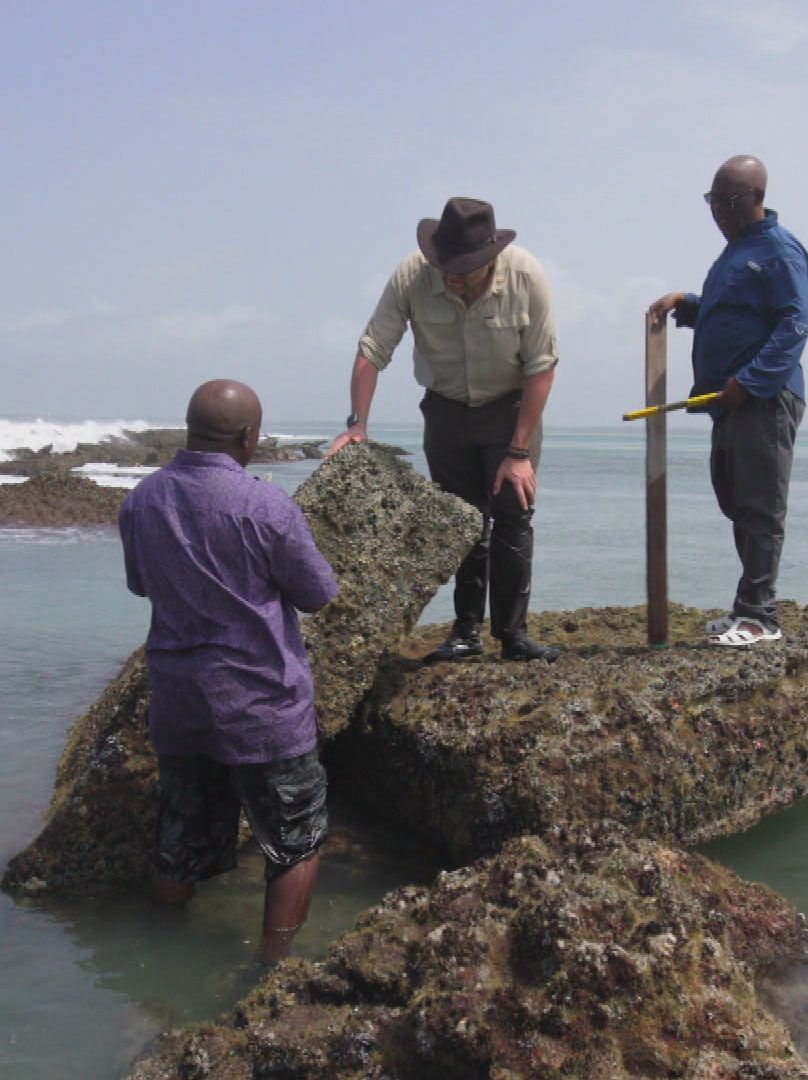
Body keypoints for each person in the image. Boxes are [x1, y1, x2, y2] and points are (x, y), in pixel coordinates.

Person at [118, 379, 339, 963]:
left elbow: (140, 583)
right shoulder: (267, 505)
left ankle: (159, 955)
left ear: (189, 430)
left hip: (179, 701)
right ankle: (271, 969)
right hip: (260, 703)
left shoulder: (141, 500)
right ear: (249, 437)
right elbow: (318, 594)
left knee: (180, 835)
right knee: (296, 841)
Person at [327, 196, 560, 662]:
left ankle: (513, 635)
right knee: (463, 520)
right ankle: (465, 632)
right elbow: (373, 348)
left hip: (511, 409)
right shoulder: (412, 275)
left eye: (464, 267)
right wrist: (357, 424)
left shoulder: (526, 275)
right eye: (444, 264)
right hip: (446, 410)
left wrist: (518, 453)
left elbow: (541, 366)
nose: (451, 274)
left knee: (513, 514)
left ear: (489, 258)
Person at [647, 155, 808, 647]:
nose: (717, 211)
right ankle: (748, 607)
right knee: (736, 499)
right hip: (730, 402)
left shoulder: (779, 252)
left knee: (761, 505)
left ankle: (760, 616)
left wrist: (752, 381)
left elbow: (794, 325)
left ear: (756, 199)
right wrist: (688, 304)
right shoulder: (736, 252)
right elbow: (734, 316)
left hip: (763, 399)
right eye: (712, 201)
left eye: (727, 202)